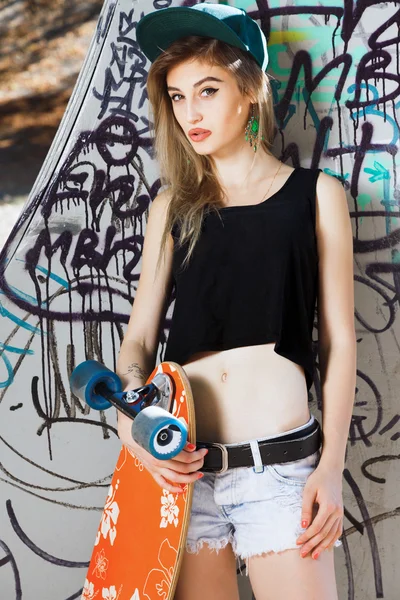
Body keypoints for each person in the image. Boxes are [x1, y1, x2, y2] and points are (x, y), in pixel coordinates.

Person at [116, 3, 356, 599]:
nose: (190, 112)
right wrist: (133, 427)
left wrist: (331, 466)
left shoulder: (316, 196)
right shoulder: (172, 208)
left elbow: (340, 339)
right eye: (176, 97)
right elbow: (140, 341)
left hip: (277, 472)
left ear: (250, 89)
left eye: (207, 90)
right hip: (183, 473)